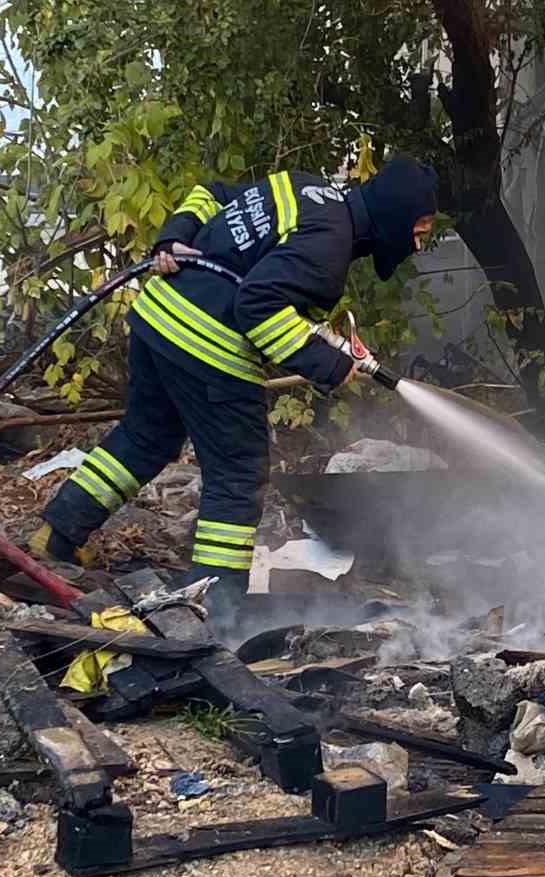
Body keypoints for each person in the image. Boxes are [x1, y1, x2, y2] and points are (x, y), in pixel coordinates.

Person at [31, 157, 437, 622]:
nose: (418, 244)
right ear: (394, 218)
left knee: (145, 437)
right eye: (419, 233)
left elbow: (214, 194)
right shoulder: (330, 245)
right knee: (238, 472)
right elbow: (257, 306)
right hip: (208, 346)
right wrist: (327, 364)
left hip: (159, 319)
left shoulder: (305, 188)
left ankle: (58, 535)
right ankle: (218, 605)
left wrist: (174, 234)